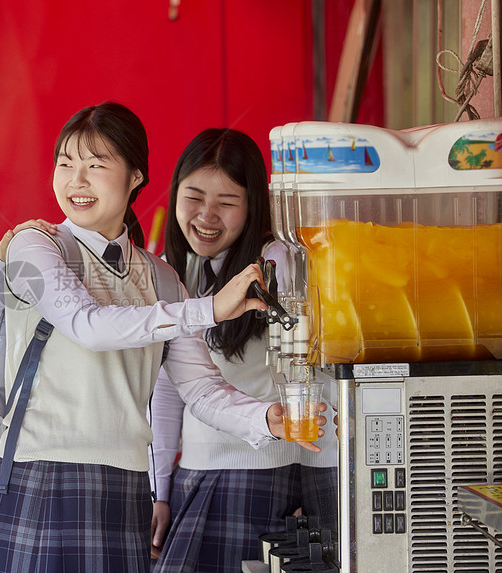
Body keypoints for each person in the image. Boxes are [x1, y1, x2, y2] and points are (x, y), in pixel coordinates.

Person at [0, 102, 325, 573]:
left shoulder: (159, 278)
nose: (77, 181)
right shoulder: (35, 246)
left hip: (126, 488)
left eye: (96, 166)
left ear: (135, 177)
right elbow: (88, 325)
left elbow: (199, 388)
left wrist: (265, 418)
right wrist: (209, 309)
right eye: (66, 164)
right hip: (39, 475)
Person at [149, 128, 338, 572]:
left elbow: (316, 362)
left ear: (253, 206)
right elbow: (167, 390)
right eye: (193, 196)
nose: (206, 216)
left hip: (271, 471)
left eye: (227, 203)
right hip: (204, 471)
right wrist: (159, 490)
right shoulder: (176, 272)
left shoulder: (277, 263)